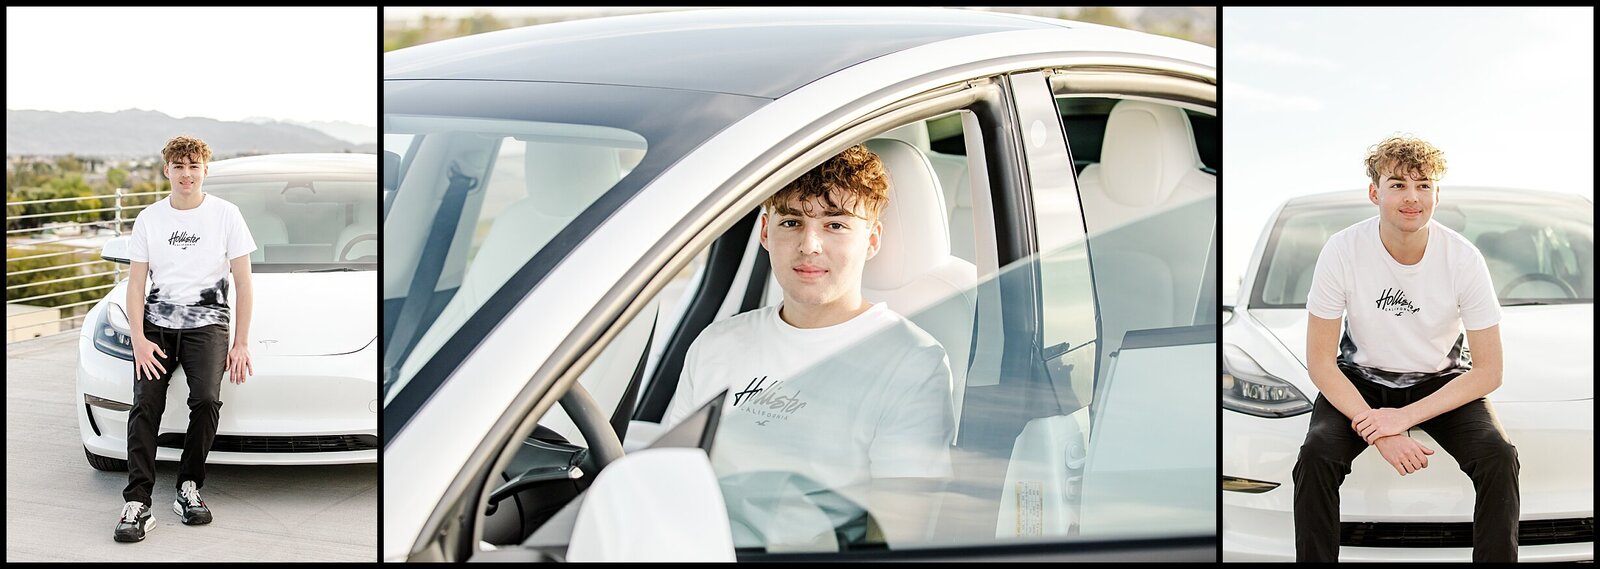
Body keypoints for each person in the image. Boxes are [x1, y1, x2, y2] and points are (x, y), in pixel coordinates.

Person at [663, 144, 955, 548]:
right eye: (791, 222)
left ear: (871, 240)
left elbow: (895, 539)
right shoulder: (718, 343)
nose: (810, 244)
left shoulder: (912, 363)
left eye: (835, 225)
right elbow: (669, 485)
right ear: (766, 232)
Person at [1294, 135, 1517, 562]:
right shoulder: (1342, 251)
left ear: (1437, 193)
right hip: (1361, 380)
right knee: (1316, 455)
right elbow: (1321, 362)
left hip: (1441, 382)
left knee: (1498, 457)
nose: (1412, 197)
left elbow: (1489, 371)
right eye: (1397, 184)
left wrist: (1400, 421)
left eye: (1423, 185)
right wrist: (1376, 425)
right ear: (1375, 192)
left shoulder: (1463, 259)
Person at [115, 136, 257, 543]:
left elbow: (244, 283)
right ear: (167, 171)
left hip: (207, 325)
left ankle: (188, 486)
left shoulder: (226, 215)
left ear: (205, 170)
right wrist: (139, 339)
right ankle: (138, 501)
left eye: (194, 166)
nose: (187, 174)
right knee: (145, 403)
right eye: (179, 166)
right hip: (157, 327)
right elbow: (136, 284)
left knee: (207, 400)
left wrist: (241, 342)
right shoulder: (149, 219)